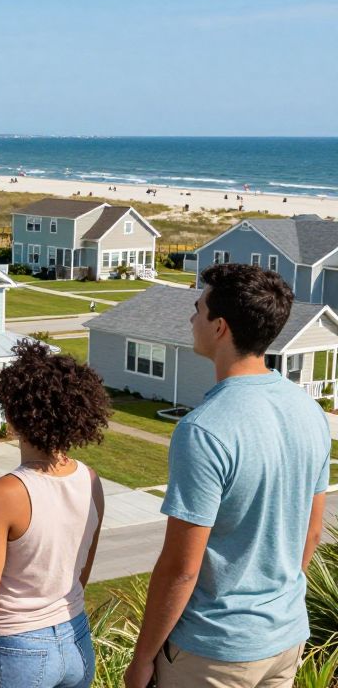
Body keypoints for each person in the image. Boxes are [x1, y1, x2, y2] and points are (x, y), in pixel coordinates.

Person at [124, 264, 331, 688]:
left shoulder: (204, 429)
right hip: (284, 638)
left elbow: (182, 567)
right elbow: (311, 533)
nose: (191, 318)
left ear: (219, 327)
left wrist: (143, 658)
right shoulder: (308, 410)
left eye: (198, 308)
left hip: (213, 653)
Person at [0, 341, 110, 688]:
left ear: (11, 416)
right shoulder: (92, 481)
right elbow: (80, 575)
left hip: (13, 649)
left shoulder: (2, 494)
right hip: (75, 639)